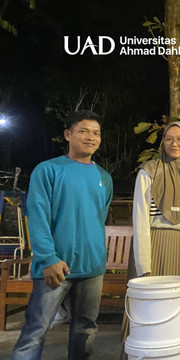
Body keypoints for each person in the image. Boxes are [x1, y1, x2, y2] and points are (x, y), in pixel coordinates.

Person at [11, 110, 113, 359]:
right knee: (35, 331)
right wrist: (47, 259)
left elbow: (98, 219)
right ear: (68, 134)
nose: (91, 137)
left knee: (85, 330)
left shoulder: (104, 177)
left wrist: (100, 259)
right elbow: (37, 217)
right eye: (83, 131)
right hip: (56, 266)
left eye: (96, 133)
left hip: (92, 268)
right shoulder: (48, 170)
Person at [121, 121, 180, 359]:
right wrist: (143, 266)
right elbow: (140, 220)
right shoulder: (149, 171)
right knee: (149, 311)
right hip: (153, 246)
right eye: (168, 139)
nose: (174, 144)